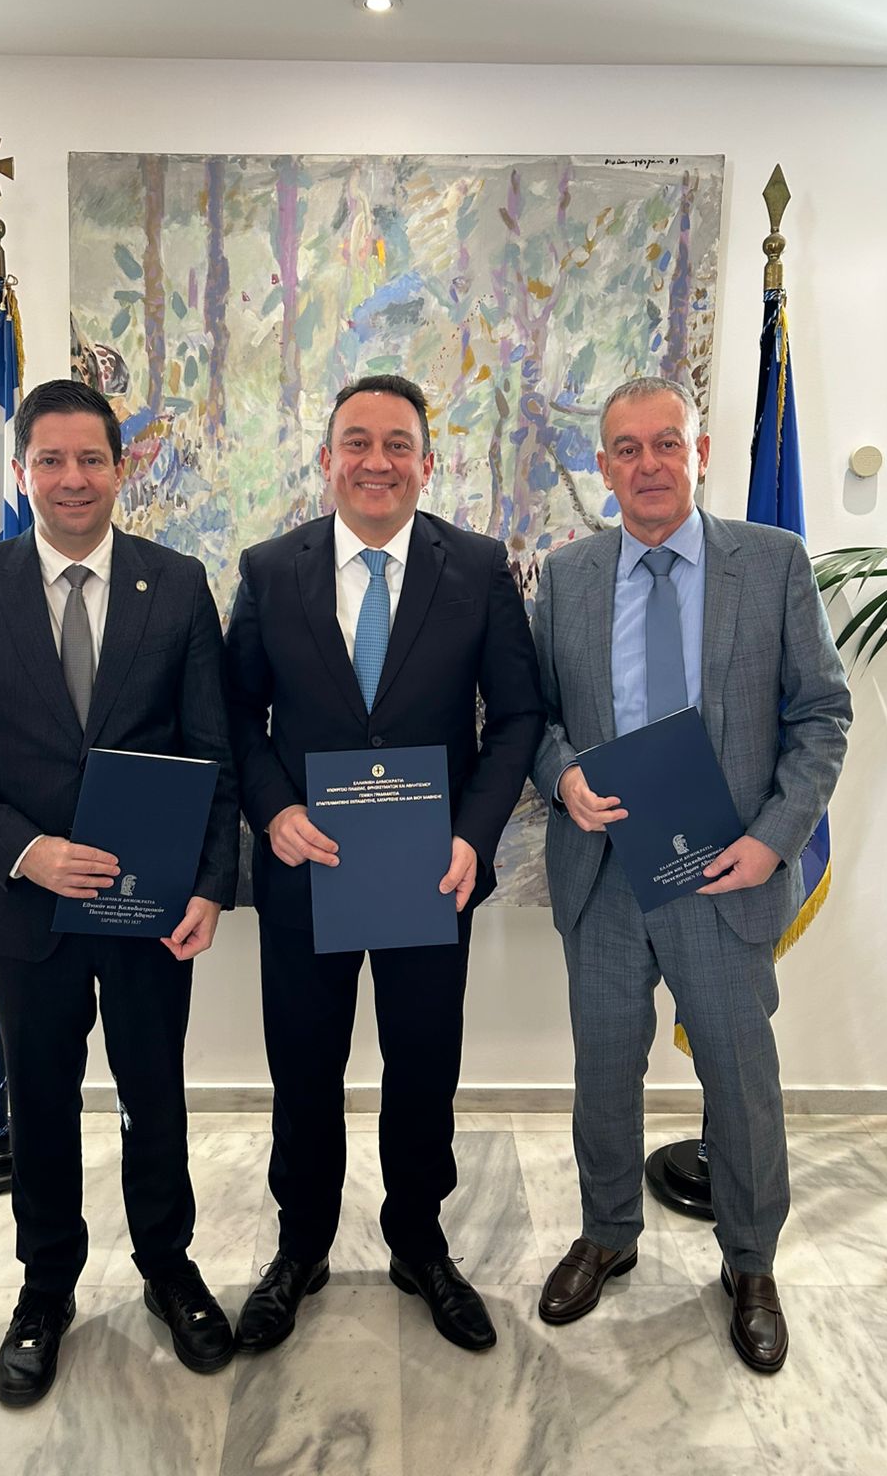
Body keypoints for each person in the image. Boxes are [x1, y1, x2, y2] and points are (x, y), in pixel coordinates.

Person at [0, 379, 240, 1406]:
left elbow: (214, 749)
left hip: (149, 909)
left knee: (154, 1095)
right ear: (23, 473)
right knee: (41, 1104)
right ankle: (45, 1289)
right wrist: (24, 850)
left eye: (91, 458)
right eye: (50, 460)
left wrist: (211, 885)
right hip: (26, 911)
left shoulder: (176, 584)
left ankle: (168, 1269)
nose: (73, 478)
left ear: (120, 468)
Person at [531, 376, 850, 1373]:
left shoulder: (773, 562)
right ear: (603, 467)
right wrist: (563, 776)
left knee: (739, 1076)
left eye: (666, 443)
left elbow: (822, 713)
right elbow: (534, 718)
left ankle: (751, 1263)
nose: (649, 465)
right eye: (626, 449)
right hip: (605, 874)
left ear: (699, 452)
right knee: (603, 1070)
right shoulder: (567, 576)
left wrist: (776, 838)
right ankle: (607, 1232)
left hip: (726, 872)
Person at [225, 373, 543, 1354]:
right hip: (306, 872)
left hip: (430, 873)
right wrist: (272, 809)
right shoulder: (270, 570)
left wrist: (473, 832)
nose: (376, 461)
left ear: (426, 463)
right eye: (356, 442)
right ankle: (300, 1246)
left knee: (423, 1066)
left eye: (397, 443)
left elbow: (519, 715)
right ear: (327, 460)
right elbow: (234, 714)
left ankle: (420, 1242)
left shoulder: (478, 567)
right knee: (303, 1068)